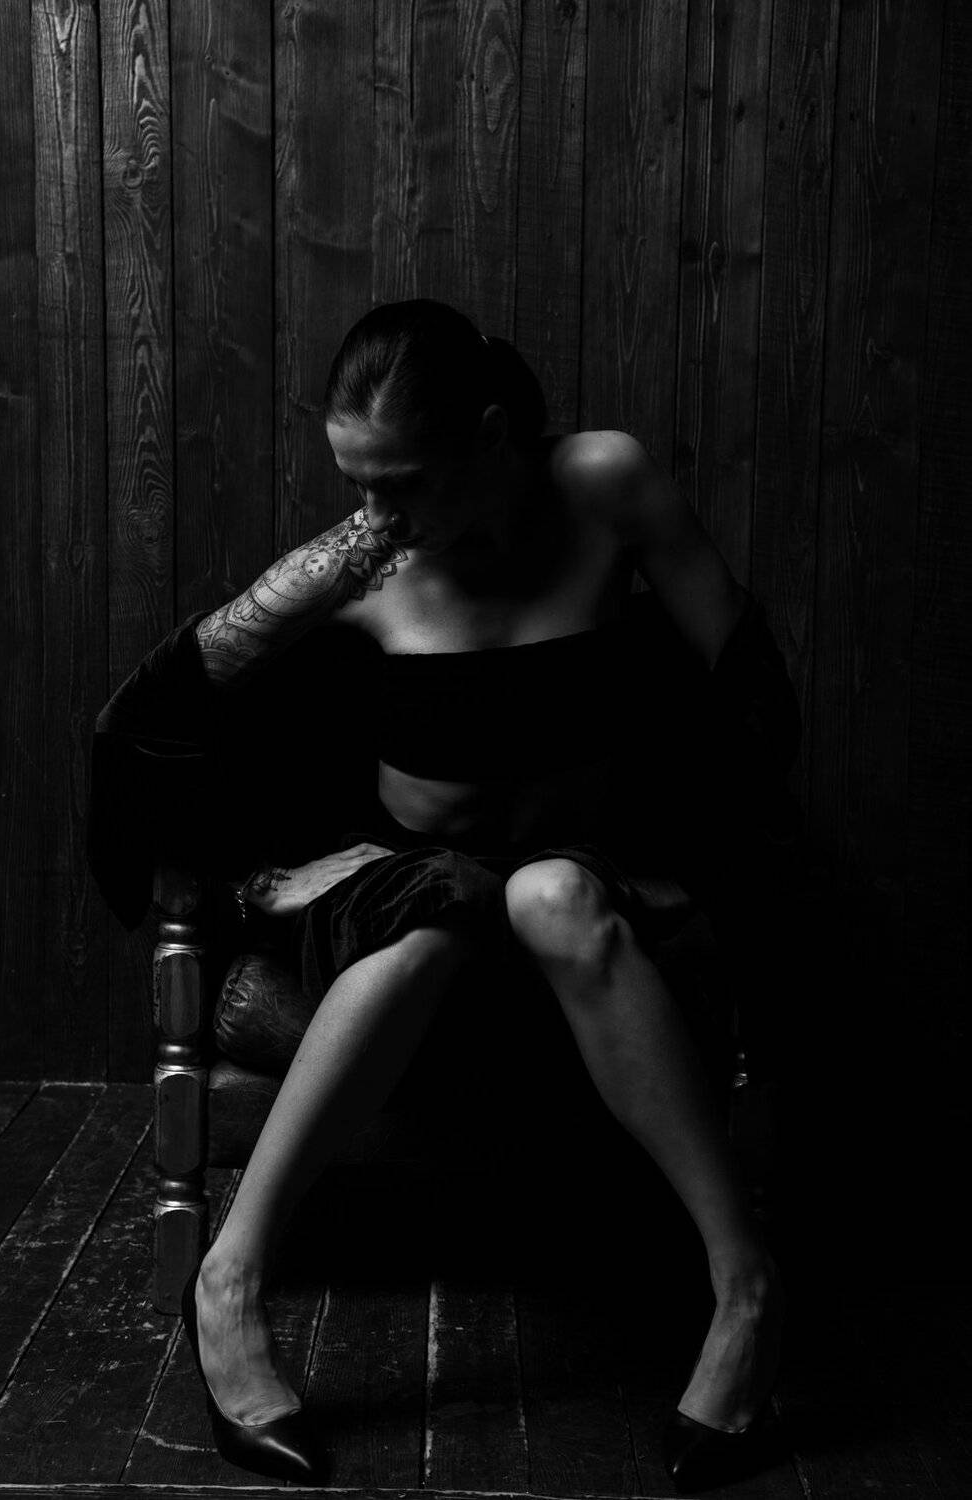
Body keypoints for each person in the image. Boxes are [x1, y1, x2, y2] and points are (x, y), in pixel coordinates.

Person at [175, 298, 788, 1490]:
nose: (374, 517)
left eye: (401, 483)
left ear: (492, 436)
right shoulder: (357, 568)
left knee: (549, 893)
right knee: (438, 915)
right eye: (355, 484)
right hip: (410, 886)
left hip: (581, 870)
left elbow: (745, 685)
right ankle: (230, 1276)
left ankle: (747, 1283)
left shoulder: (604, 484)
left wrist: (715, 856)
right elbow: (184, 728)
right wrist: (271, 870)